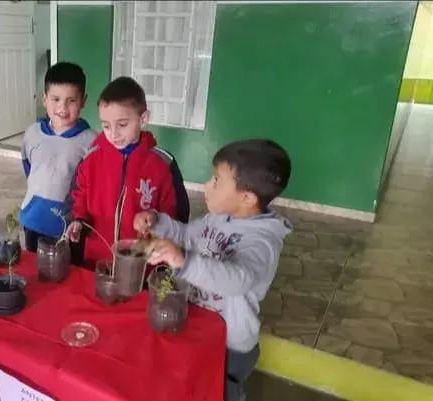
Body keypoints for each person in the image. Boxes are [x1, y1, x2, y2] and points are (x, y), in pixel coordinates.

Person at [134, 139, 293, 401]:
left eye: (217, 180)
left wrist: (184, 261)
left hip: (229, 345)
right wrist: (157, 222)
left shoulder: (263, 242)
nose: (208, 186)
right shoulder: (218, 217)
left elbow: (237, 280)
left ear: (246, 197)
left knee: (219, 394)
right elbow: (186, 234)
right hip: (199, 327)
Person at [65, 77, 190, 266]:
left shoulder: (162, 164)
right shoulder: (91, 159)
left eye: (122, 125)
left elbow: (177, 214)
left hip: (144, 262)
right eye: (106, 125)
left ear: (143, 119)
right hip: (97, 260)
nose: (113, 133)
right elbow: (77, 198)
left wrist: (155, 221)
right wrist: (77, 221)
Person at [19, 62, 97, 252]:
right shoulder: (32, 133)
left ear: (83, 101)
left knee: (69, 273)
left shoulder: (92, 141)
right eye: (55, 99)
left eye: (71, 100)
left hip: (70, 225)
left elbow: (90, 185)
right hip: (34, 218)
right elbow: (29, 166)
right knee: (34, 269)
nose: (62, 107)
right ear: (44, 99)